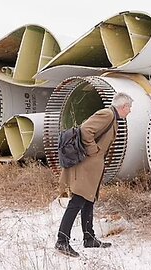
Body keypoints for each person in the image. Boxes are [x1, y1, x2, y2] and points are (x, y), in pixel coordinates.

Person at [55, 92, 133, 257]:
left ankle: (89, 238)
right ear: (124, 107)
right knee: (77, 201)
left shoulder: (113, 117)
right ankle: (62, 241)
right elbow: (85, 130)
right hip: (86, 166)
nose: (130, 111)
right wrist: (95, 152)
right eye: (130, 108)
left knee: (89, 200)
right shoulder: (107, 114)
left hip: (91, 167)